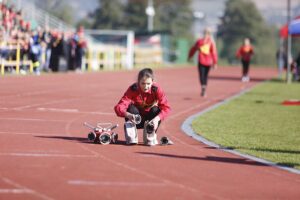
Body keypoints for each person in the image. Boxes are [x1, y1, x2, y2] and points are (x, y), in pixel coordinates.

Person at [114, 68, 171, 145]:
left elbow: (166, 108)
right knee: (130, 108)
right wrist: (128, 115)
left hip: (150, 120)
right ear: (138, 82)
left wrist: (157, 119)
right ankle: (132, 135)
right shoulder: (133, 89)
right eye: (143, 83)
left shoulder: (156, 89)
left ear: (153, 82)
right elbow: (119, 106)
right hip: (135, 119)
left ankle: (150, 134)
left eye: (148, 84)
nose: (146, 87)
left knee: (156, 109)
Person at [188, 27, 218, 97]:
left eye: (207, 33)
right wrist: (190, 56)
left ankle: (203, 87)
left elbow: (213, 53)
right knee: (203, 75)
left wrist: (215, 63)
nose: (206, 35)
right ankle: (203, 87)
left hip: (206, 62)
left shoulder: (210, 42)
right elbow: (193, 49)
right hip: (203, 61)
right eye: (205, 33)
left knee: (204, 76)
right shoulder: (201, 42)